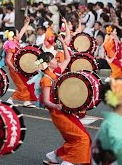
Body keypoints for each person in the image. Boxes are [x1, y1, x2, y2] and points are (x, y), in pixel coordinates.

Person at [38, 35, 91, 165]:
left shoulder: (55, 73)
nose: (57, 60)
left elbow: (68, 58)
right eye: (54, 59)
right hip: (58, 114)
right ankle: (68, 162)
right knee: (82, 138)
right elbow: (45, 101)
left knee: (78, 138)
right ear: (48, 64)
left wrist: (63, 43)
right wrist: (55, 106)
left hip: (64, 111)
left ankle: (52, 156)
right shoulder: (46, 79)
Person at [4, 17, 36, 107]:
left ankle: (27, 101)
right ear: (13, 35)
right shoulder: (11, 45)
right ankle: (10, 100)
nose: (19, 34)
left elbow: (22, 32)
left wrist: (27, 23)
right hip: (14, 68)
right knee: (22, 85)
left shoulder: (15, 41)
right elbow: (7, 59)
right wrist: (14, 68)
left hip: (17, 67)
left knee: (26, 83)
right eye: (17, 33)